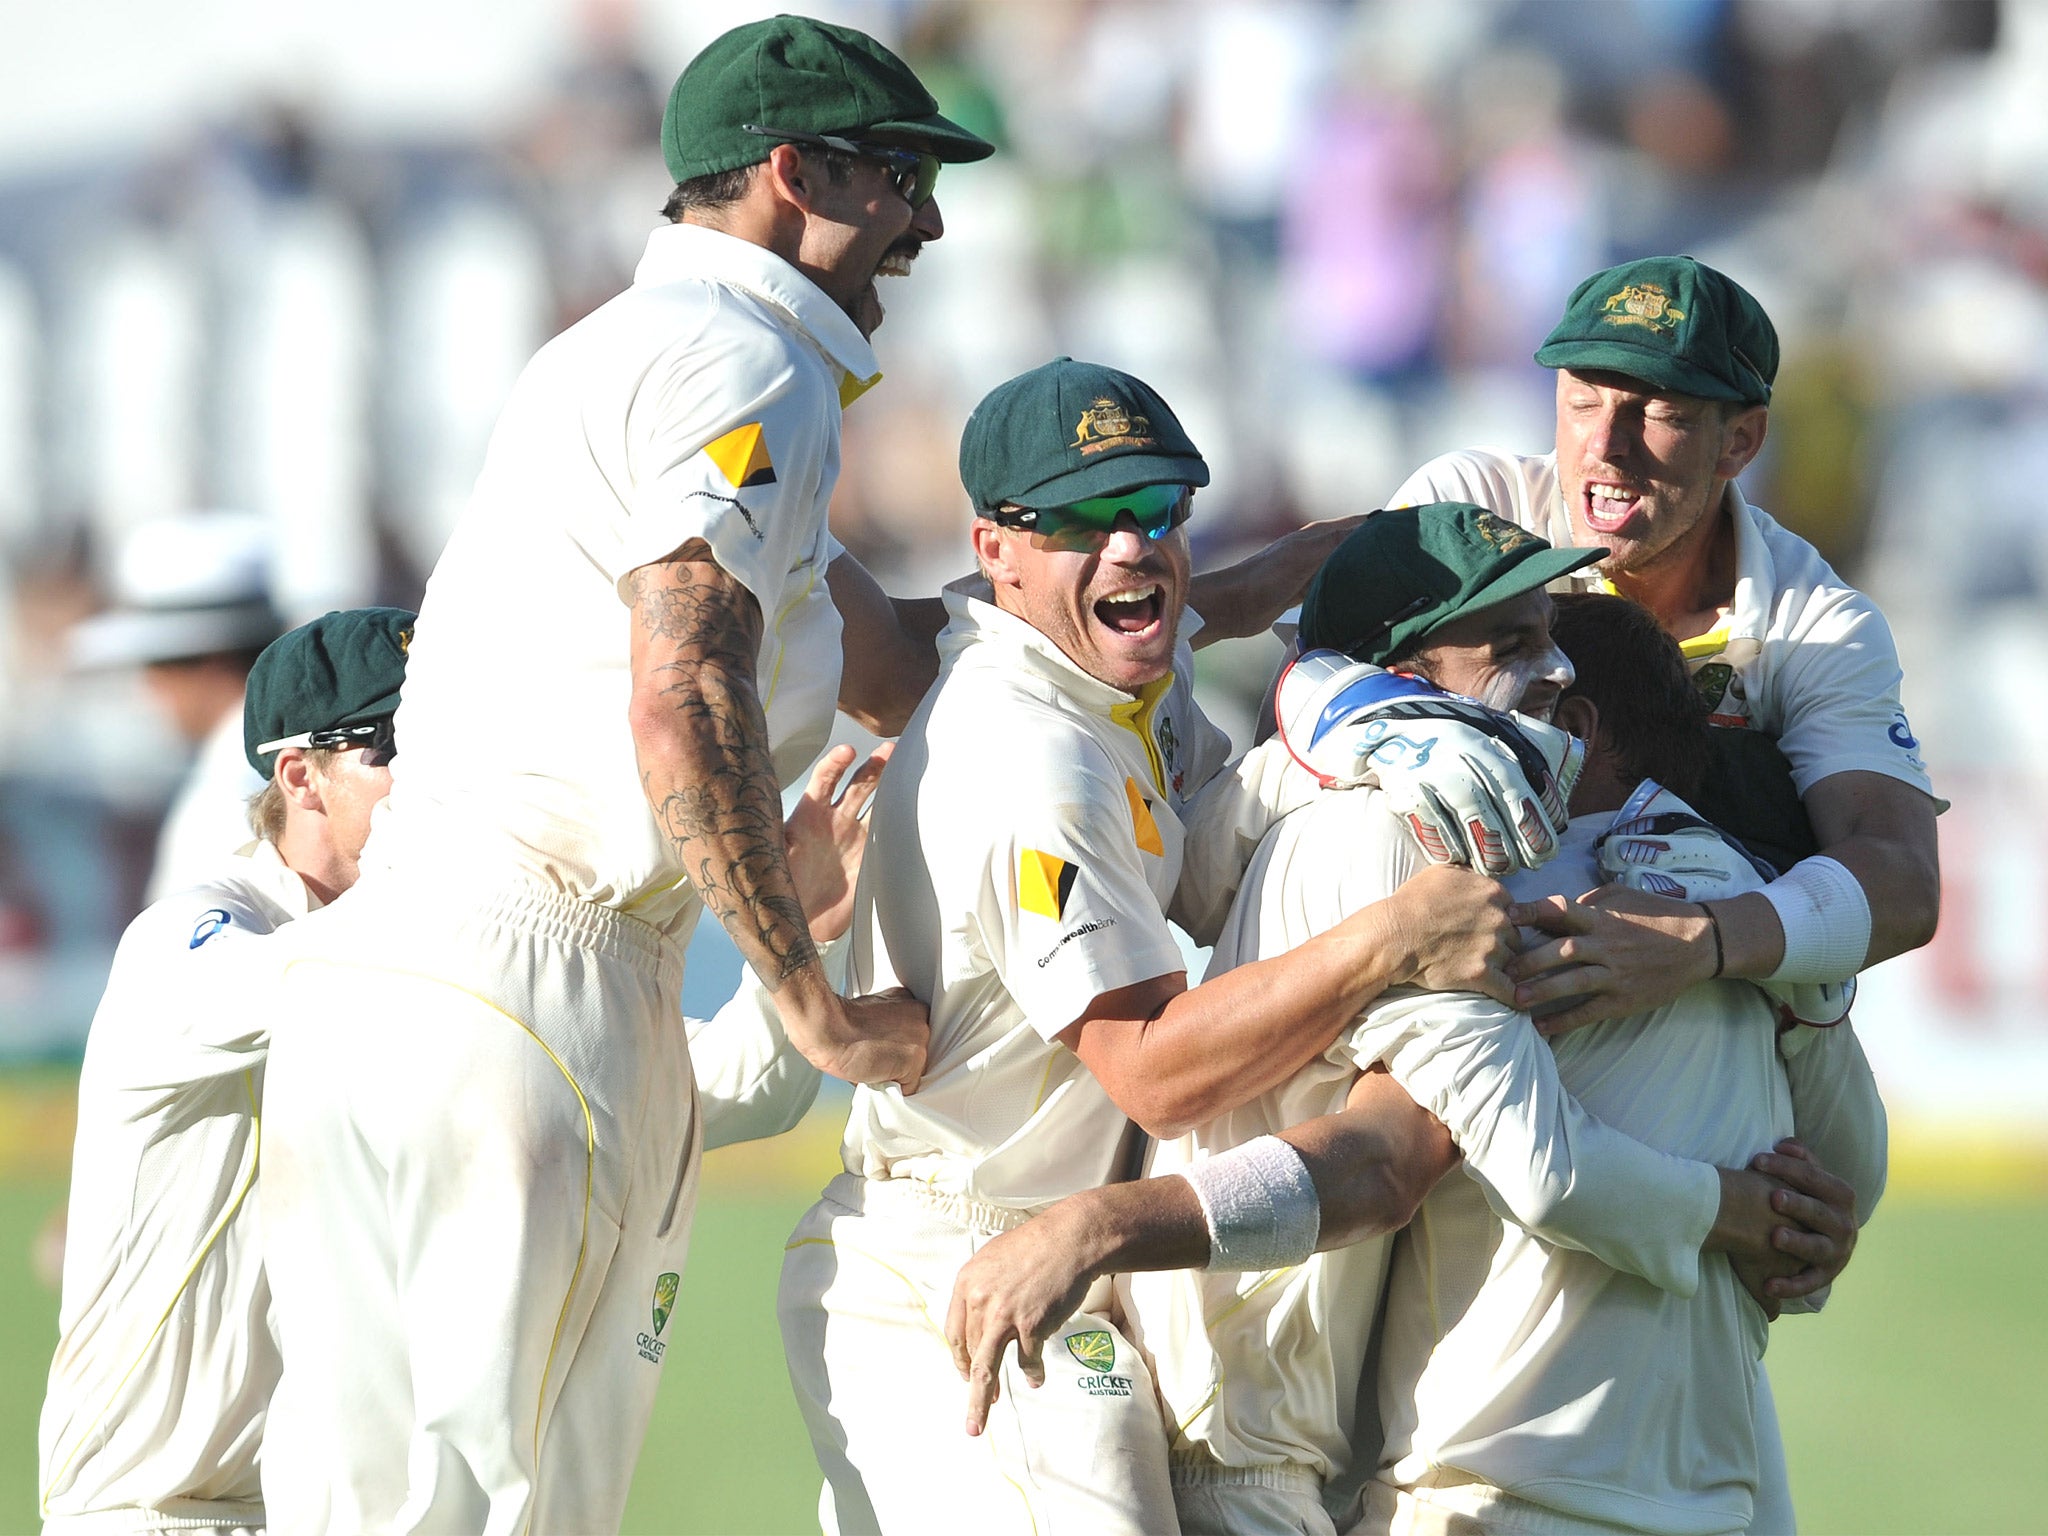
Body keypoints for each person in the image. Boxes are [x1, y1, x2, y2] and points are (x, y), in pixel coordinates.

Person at [254, 18, 988, 1531]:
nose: (926, 222)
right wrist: (809, 1000)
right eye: (902, 176)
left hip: (385, 983)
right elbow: (686, 692)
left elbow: (895, 662)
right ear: (794, 174)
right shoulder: (747, 365)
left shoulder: (622, 350)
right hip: (538, 989)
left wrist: (1245, 594)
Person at [945, 514, 1871, 1536]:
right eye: (1511, 646)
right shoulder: (1403, 847)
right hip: (1261, 1443)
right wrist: (1737, 1202)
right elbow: (1392, 1162)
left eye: (1548, 637)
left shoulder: (1407, 831)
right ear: (1398, 680)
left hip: (1324, 1449)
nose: (1553, 672)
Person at [776, 365, 1559, 1536]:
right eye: (1088, 519)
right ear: (995, 547)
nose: (1135, 545)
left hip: (1048, 1254)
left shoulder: (1105, 668)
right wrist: (1395, 934)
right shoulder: (1032, 755)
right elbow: (1152, 1069)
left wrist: (1351, 706)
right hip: (949, 1256)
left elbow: (1197, 826)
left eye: (1161, 508)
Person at [1384, 255, 1941, 1029]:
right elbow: (1302, 695)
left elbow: (1905, 882)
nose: (1605, 445)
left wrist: (1699, 941)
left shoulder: (1817, 622)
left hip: (1681, 1007)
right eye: (1582, 401)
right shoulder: (1469, 511)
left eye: (1658, 413)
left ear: (1740, 441)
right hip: (1443, 975)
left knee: (1816, 1021)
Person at [39, 606, 411, 1536]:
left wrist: (791, 965)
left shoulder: (425, 954)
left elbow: (709, 1089)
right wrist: (474, 900)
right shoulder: (190, 932)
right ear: (300, 775)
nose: (442, 774)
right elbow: (286, 986)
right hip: (148, 1515)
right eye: (398, 742)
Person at [69, 510, 283, 903]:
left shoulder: (229, 796)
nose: (148, 690)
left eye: (157, 667)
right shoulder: (277, 763)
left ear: (209, 664)